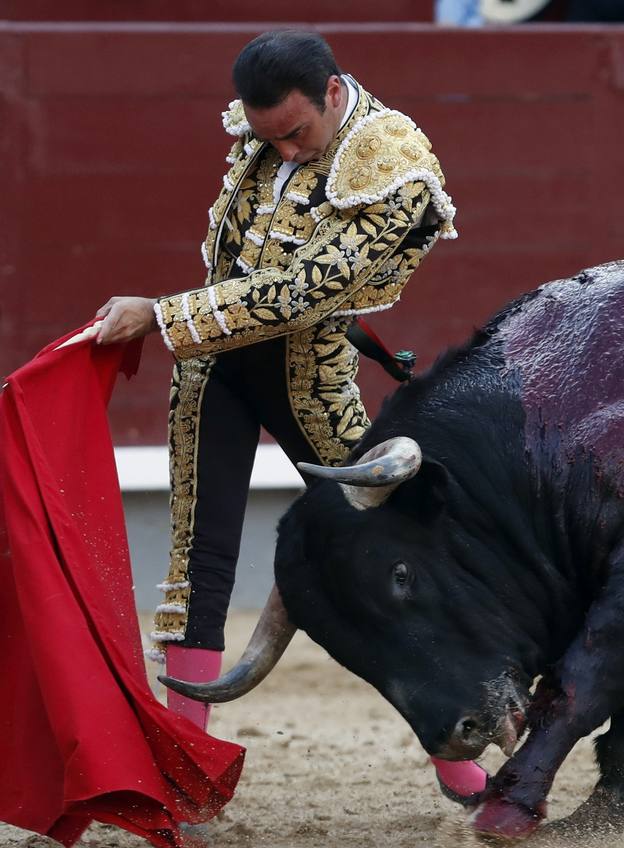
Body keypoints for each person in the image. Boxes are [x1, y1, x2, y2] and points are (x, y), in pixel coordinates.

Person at [97, 30, 487, 803]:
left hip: (308, 374)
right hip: (213, 365)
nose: (283, 153)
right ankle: (184, 782)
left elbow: (305, 290)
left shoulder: (394, 159)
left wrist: (165, 315)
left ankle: (459, 763)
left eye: (296, 135)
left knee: (384, 558)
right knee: (196, 566)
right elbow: (234, 259)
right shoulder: (265, 131)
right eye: (267, 138)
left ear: (333, 93)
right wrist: (183, 326)